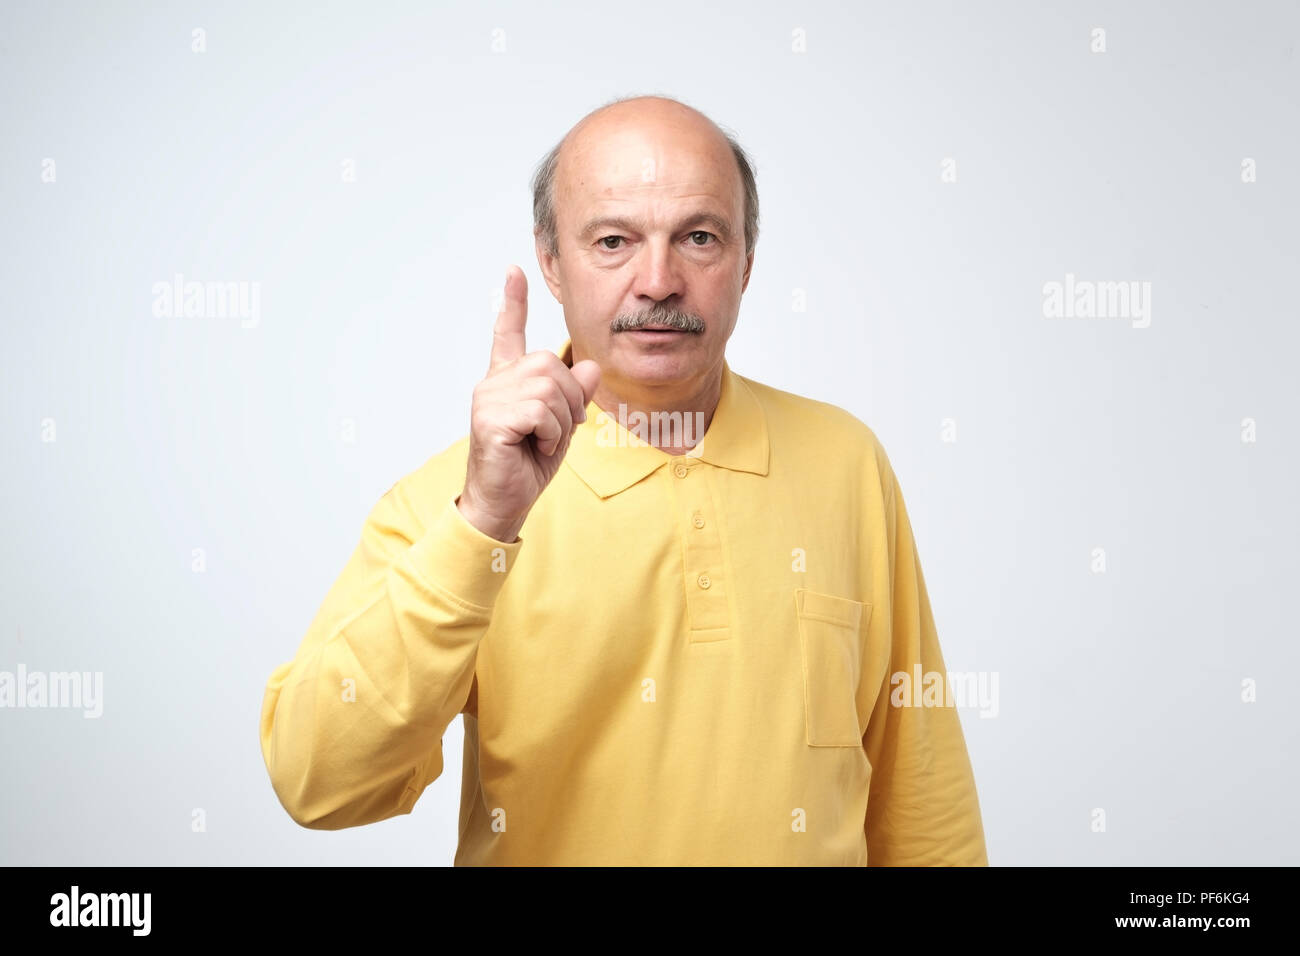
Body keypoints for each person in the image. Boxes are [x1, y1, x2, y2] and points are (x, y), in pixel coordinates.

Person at [258, 94, 989, 866]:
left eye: (699, 237)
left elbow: (921, 796)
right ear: (550, 261)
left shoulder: (846, 462)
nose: (659, 281)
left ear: (747, 258)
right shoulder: (454, 504)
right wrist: (482, 524)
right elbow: (317, 783)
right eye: (613, 240)